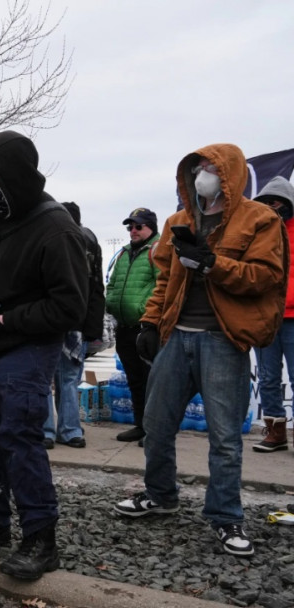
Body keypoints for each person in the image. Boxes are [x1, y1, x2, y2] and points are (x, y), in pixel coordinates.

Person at [113, 144, 287, 558]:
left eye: (209, 168)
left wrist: (212, 264)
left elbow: (265, 277)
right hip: (177, 337)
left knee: (225, 436)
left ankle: (226, 516)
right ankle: (160, 494)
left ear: (229, 174)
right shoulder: (178, 222)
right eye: (197, 168)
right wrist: (151, 324)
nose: (202, 175)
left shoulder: (259, 219)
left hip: (222, 339)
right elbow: (164, 281)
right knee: (156, 424)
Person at [0, 130, 88, 580]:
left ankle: (40, 537)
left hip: (27, 348)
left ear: (9, 176)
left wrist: (9, 320)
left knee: (19, 433)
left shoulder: (56, 230)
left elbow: (69, 306)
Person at [43, 201, 105, 449]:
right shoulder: (89, 242)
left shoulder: (49, 238)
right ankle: (68, 431)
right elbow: (96, 288)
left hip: (55, 322)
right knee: (66, 378)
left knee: (50, 378)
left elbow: (96, 289)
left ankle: (48, 431)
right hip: (71, 323)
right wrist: (93, 328)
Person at [105, 207, 161, 443]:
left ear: (151, 227)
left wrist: (146, 314)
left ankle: (155, 431)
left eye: (139, 226)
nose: (133, 231)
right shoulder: (124, 252)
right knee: (135, 380)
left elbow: (164, 285)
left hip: (146, 328)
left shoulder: (158, 250)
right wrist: (110, 305)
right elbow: (113, 284)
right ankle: (140, 425)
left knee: (152, 381)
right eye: (130, 227)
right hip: (124, 327)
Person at [252, 176, 294, 453]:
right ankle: (276, 432)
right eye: (265, 202)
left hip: (292, 317)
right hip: (265, 317)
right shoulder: (256, 234)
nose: (270, 207)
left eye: (275, 202)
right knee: (267, 377)